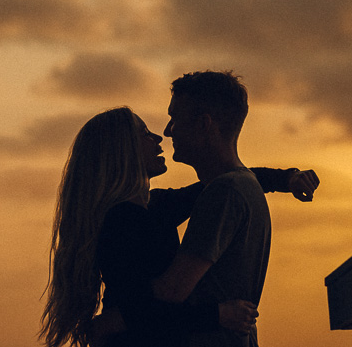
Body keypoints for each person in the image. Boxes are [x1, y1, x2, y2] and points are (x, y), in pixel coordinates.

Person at [39, 105, 316, 347]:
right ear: (122, 149)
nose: (158, 137)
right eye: (144, 133)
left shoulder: (155, 206)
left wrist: (286, 179)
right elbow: (143, 312)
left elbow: (225, 182)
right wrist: (217, 315)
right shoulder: (120, 222)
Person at [150, 70, 317, 347]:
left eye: (175, 118)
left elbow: (172, 290)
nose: (168, 130)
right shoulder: (241, 186)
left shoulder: (224, 192)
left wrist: (113, 316)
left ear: (204, 124)